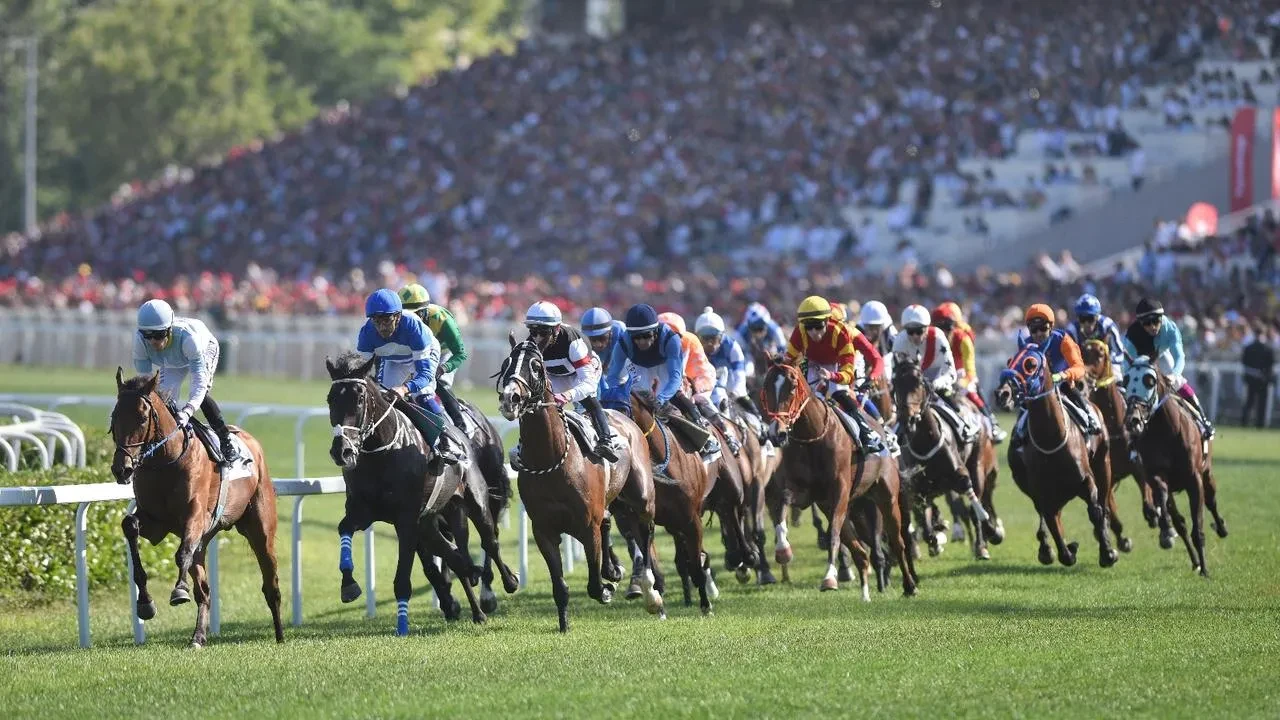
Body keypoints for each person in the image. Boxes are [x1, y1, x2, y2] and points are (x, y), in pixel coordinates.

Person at [354, 289, 463, 470]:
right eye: (376, 320)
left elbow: (425, 375)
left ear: (397, 316)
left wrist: (405, 388)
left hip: (423, 355)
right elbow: (360, 372)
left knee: (423, 394)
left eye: (386, 320)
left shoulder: (413, 327)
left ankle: (447, 441)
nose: (381, 327)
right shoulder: (367, 333)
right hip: (394, 360)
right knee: (384, 397)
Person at [604, 303, 722, 459]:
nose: (641, 342)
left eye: (646, 335)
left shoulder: (671, 339)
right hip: (638, 368)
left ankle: (705, 436)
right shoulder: (623, 343)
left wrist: (661, 398)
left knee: (674, 396)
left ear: (655, 331)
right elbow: (613, 377)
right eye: (636, 337)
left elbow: (675, 377)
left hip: (666, 367)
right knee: (632, 401)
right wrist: (618, 395)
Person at [132, 299, 241, 464]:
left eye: (159, 334)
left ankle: (225, 440)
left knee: (201, 395)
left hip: (203, 350)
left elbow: (199, 383)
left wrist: (188, 411)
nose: (153, 341)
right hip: (173, 359)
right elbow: (147, 387)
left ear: (169, 330)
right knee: (163, 398)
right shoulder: (140, 342)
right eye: (148, 335)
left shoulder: (190, 340)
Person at [785, 296, 886, 455]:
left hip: (840, 364)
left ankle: (867, 433)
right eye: (809, 327)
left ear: (829, 322)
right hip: (814, 363)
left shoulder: (844, 333)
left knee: (839, 391)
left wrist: (871, 377)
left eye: (818, 327)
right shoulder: (799, 332)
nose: (813, 333)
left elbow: (853, 371)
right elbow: (788, 360)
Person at [523, 301, 620, 462]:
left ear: (557, 329)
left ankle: (606, 440)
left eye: (543, 332)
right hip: (555, 375)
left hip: (581, 373)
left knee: (587, 400)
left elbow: (587, 383)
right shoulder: (531, 343)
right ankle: (525, 445)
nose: (538, 338)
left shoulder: (573, 342)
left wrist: (568, 395)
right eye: (533, 331)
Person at [1121, 298, 1214, 439]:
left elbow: (1180, 357)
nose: (1153, 326)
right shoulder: (1132, 335)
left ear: (1162, 318)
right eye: (1147, 323)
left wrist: (1174, 375)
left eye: (1156, 321)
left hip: (1161, 355)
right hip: (1139, 361)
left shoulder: (1170, 328)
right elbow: (1127, 366)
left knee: (1179, 382)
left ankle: (1202, 420)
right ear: (1140, 323)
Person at [659, 311, 741, 456]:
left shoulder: (690, 341)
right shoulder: (652, 343)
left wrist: (692, 390)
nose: (668, 340)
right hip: (673, 382)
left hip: (698, 378)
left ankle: (726, 435)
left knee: (703, 400)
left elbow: (690, 374)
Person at [892, 304, 977, 443]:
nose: (914, 336)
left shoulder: (938, 337)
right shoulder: (900, 341)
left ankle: (965, 425)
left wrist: (935, 384)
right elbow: (896, 375)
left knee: (952, 404)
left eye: (919, 331)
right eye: (910, 331)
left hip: (937, 380)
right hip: (913, 384)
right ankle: (893, 439)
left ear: (927, 328)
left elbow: (951, 373)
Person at [1017, 303, 1101, 435]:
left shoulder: (1063, 340)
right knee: (1021, 415)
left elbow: (1079, 368)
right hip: (1036, 392)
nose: (1039, 333)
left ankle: (1091, 419)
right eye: (1034, 330)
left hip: (1064, 387)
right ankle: (1017, 436)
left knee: (1074, 394)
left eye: (1043, 328)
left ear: (1050, 326)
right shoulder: (1027, 345)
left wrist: (1062, 375)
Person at [933, 302, 1007, 442]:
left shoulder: (963, 339)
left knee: (971, 393)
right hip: (939, 376)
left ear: (955, 326)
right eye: (939, 328)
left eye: (948, 328)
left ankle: (992, 423)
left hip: (960, 376)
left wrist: (959, 383)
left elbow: (970, 372)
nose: (944, 333)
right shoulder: (930, 339)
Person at [398, 283, 468, 430]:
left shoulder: (442, 319)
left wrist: (443, 368)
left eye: (415, 314)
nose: (410, 320)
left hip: (442, 353)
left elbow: (460, 353)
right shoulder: (396, 320)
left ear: (425, 312)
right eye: (405, 315)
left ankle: (460, 424)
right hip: (415, 352)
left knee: (438, 381)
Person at [831, 301, 886, 422]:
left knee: (859, 397)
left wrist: (872, 378)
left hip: (853, 380)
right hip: (831, 384)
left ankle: (881, 429)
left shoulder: (853, 334)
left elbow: (877, 359)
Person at [694, 306, 755, 416]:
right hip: (704, 388)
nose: (709, 344)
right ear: (697, 338)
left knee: (747, 405)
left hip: (729, 385)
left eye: (713, 338)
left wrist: (736, 392)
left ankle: (758, 420)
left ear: (722, 336)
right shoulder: (693, 348)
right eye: (704, 339)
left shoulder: (732, 346)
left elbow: (739, 374)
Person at [579, 306, 633, 413]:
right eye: (593, 339)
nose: (598, 344)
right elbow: (593, 376)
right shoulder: (580, 342)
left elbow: (616, 372)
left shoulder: (621, 332)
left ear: (611, 332)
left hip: (622, 367)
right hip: (600, 369)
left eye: (602, 338)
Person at [1065, 293, 1125, 381]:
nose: (1086, 324)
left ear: (1097, 316)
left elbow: (1119, 352)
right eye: (1083, 319)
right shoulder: (1072, 330)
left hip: (1108, 365)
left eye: (1090, 319)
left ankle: (1121, 390)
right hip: (1082, 367)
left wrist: (1106, 364)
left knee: (1117, 376)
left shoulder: (1108, 326)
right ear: (1078, 318)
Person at [1241, 325, 1275, 428]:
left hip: (1252, 379)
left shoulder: (1249, 348)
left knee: (1250, 402)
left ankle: (1245, 422)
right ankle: (1259, 424)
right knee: (1260, 403)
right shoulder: (1268, 348)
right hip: (1262, 380)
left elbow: (1244, 362)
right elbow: (1271, 365)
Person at [857, 300, 899, 380]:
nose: (870, 331)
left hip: (884, 358)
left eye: (875, 327)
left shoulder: (891, 334)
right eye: (868, 326)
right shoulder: (858, 330)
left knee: (887, 377)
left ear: (882, 325)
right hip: (863, 360)